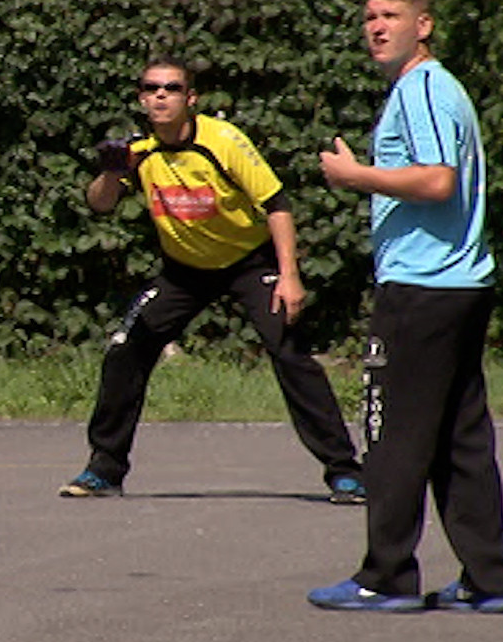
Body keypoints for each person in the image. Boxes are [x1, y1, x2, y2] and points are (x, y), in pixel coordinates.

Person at [57, 59, 365, 502]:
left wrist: (290, 277)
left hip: (248, 262)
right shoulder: (138, 150)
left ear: (191, 99)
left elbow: (277, 204)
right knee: (126, 351)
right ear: (142, 98)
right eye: (152, 88)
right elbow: (99, 204)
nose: (161, 96)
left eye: (172, 88)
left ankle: (343, 471)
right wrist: (110, 171)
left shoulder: (222, 142)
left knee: (289, 351)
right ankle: (104, 469)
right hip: (183, 271)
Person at [310, 0, 503, 614]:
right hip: (457, 287)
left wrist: (355, 176)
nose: (377, 26)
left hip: (424, 289)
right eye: (370, 16)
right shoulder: (430, 88)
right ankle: (490, 579)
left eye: (392, 15)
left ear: (423, 25)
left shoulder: (423, 87)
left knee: (392, 434)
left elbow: (436, 181)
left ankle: (386, 576)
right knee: (460, 437)